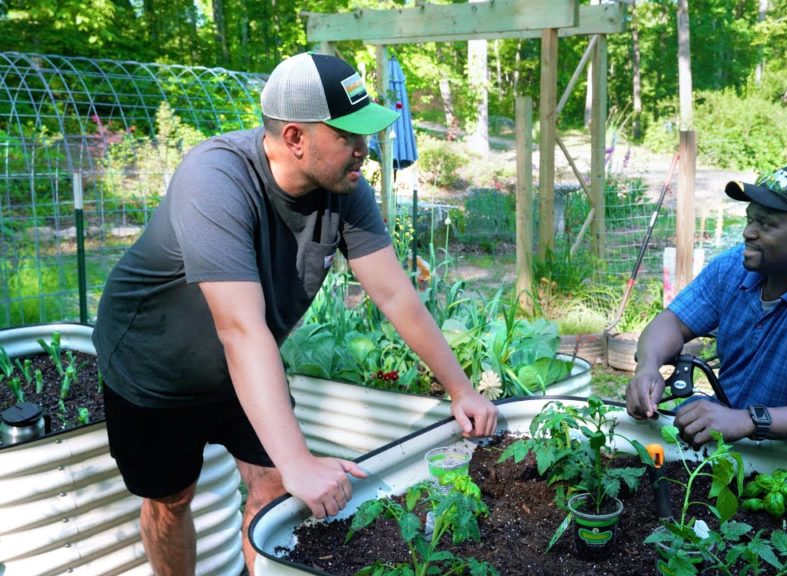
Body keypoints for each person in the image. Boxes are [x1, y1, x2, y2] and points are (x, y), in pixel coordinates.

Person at [92, 52, 498, 576]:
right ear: (294, 138)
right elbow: (239, 329)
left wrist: (460, 389)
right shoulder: (215, 179)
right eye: (348, 136)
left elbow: (395, 294)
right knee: (172, 502)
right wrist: (300, 459)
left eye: (366, 134)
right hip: (155, 370)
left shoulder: (345, 190)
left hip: (244, 365)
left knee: (274, 488)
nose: (364, 151)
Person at [626, 164, 787, 447]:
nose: (749, 232)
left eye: (767, 224)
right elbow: (672, 321)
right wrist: (648, 368)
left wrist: (748, 420)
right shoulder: (736, 267)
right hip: (727, 440)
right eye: (751, 219)